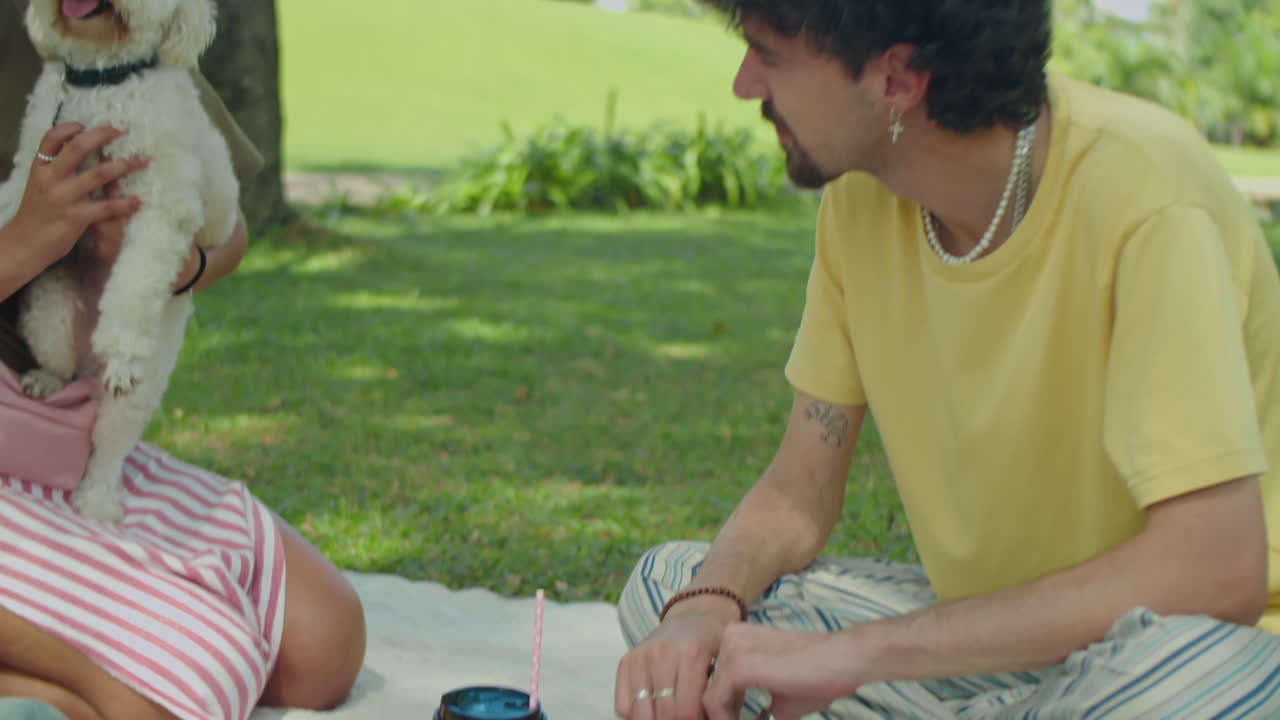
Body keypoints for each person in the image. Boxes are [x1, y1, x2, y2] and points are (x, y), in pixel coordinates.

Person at [614, 1, 1280, 719]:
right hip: (988, 648)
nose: (745, 84)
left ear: (897, 79)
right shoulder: (861, 199)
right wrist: (706, 603)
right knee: (670, 589)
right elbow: (799, 490)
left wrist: (857, 655)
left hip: (1185, 656)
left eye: (768, 55)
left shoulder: (1146, 193)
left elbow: (1217, 570)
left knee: (1190, 687)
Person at [0, 1, 366, 719]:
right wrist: (23, 243)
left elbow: (224, 229)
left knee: (325, 646)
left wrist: (168, 264)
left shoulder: (116, 40)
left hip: (53, 422)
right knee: (182, 687)